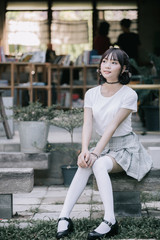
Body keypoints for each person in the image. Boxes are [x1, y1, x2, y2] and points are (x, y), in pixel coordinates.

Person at [56, 47, 152, 240]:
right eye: (105, 61)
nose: (108, 65)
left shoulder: (128, 94)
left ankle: (110, 220)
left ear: (123, 68)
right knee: (85, 164)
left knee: (97, 162)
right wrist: (84, 150)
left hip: (126, 148)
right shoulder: (91, 93)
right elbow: (87, 124)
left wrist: (95, 153)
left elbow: (112, 127)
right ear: (99, 66)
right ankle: (64, 216)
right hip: (104, 147)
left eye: (114, 62)